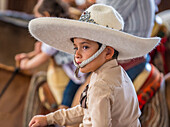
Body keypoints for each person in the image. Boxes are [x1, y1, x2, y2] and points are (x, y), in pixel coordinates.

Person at [28, 4, 160, 127]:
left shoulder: (101, 86)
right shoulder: (118, 74)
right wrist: (49, 118)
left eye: (85, 47)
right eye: (76, 48)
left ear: (108, 52)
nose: (77, 54)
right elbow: (86, 110)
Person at [15, 0, 87, 109]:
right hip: (81, 70)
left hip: (79, 75)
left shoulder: (55, 34)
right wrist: (31, 54)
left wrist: (26, 64)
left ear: (46, 15)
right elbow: (43, 52)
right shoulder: (67, 25)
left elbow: (43, 57)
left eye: (38, 18)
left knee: (65, 102)